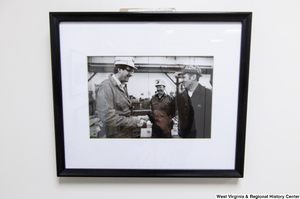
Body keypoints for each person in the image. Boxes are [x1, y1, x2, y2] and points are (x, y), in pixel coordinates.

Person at [95, 57, 148, 138]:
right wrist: (135, 121)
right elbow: (107, 117)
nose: (131, 74)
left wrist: (137, 118)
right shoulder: (106, 86)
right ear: (119, 69)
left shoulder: (122, 86)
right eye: (129, 70)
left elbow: (123, 111)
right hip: (115, 135)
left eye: (132, 71)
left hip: (124, 132)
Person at [170, 66, 212, 138]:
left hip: (200, 138)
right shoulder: (181, 95)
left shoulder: (208, 95)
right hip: (184, 137)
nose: (182, 80)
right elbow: (170, 111)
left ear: (193, 77)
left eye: (184, 77)